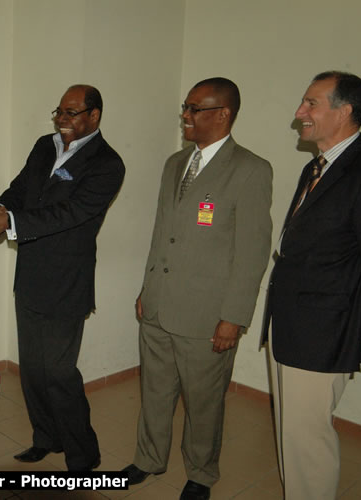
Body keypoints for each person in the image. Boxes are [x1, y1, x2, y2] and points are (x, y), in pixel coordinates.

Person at [121, 78, 272, 500]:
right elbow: (161, 234)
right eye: (184, 108)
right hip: (158, 307)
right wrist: (146, 288)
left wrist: (235, 317)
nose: (185, 116)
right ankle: (149, 458)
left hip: (207, 316)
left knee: (204, 404)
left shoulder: (251, 170)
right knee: (154, 392)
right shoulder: (175, 164)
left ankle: (201, 473)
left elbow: (252, 253)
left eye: (194, 109)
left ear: (222, 114)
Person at [0, 84, 125, 471]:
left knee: (59, 373)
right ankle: (46, 437)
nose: (62, 119)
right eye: (59, 111)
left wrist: (10, 221)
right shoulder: (45, 145)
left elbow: (71, 214)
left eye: (72, 113)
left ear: (94, 115)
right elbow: (23, 187)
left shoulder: (108, 164)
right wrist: (1, 207)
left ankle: (83, 455)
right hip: (31, 276)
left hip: (67, 282)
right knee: (33, 369)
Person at [261, 71, 361, 499]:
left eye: (311, 104)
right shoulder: (314, 167)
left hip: (325, 331)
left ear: (345, 111)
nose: (300, 113)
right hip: (289, 322)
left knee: (308, 442)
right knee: (291, 436)